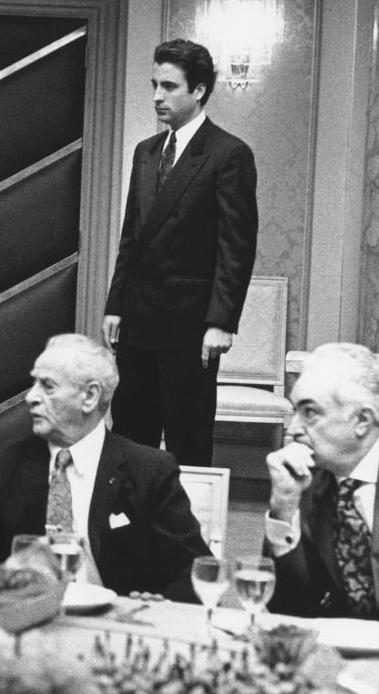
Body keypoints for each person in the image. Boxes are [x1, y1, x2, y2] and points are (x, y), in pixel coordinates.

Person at [0, 334, 211, 602]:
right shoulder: (4, 464)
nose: (30, 397)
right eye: (34, 384)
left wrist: (156, 606)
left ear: (89, 396)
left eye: (47, 386)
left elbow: (194, 572)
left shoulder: (149, 470)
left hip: (115, 621)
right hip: (32, 620)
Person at [102, 39, 258, 467]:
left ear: (199, 90)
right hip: (137, 321)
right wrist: (115, 305)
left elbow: (236, 247)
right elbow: (131, 237)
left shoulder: (228, 154)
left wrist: (221, 322)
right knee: (130, 438)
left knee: (187, 444)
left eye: (169, 86)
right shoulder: (147, 152)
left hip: (190, 329)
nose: (157, 96)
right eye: (154, 85)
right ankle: (129, 513)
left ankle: (185, 516)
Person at [264, 343, 379, 630]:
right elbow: (288, 611)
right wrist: (283, 508)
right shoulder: (303, 483)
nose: (293, 429)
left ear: (361, 420)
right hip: (340, 650)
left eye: (310, 412)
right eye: (295, 411)